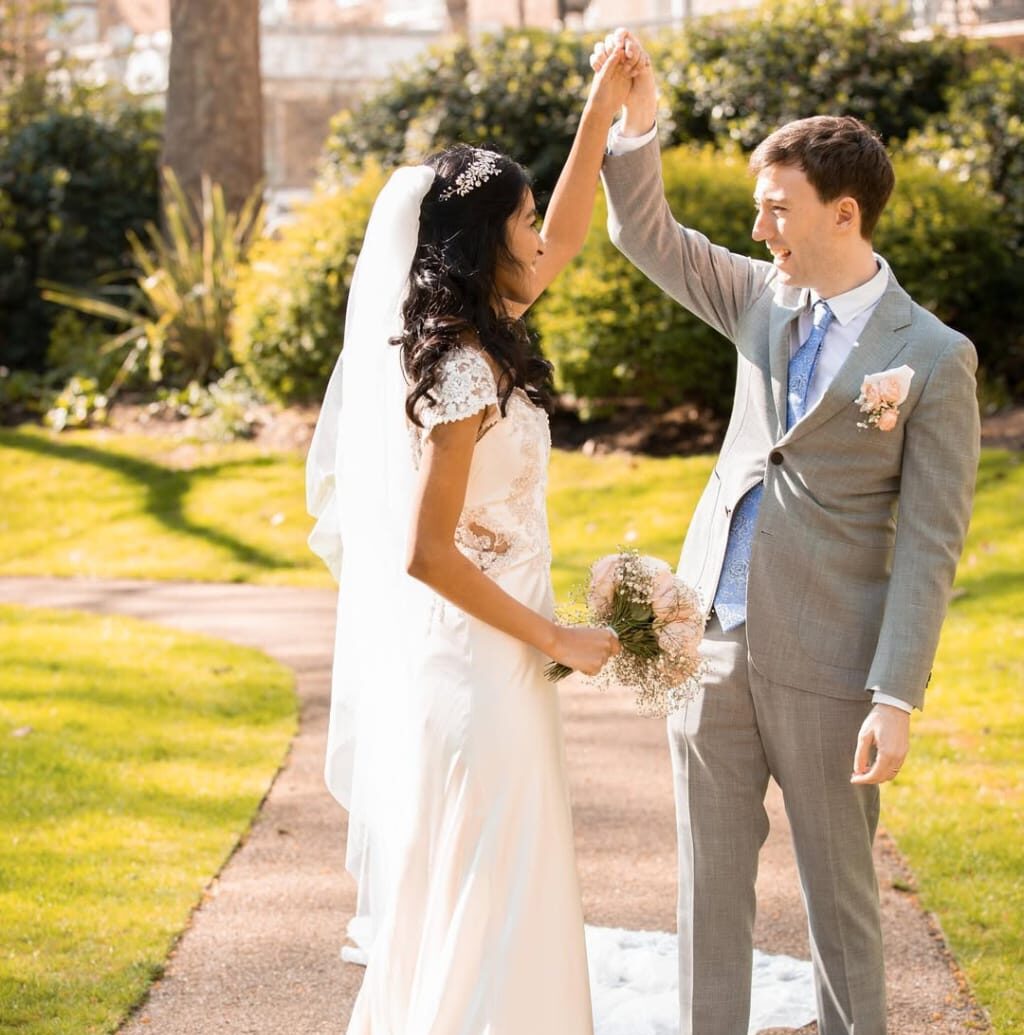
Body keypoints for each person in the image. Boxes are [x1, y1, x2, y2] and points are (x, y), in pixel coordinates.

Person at [591, 29, 980, 1035]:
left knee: (840, 904)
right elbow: (648, 236)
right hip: (710, 645)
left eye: (778, 209)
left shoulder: (934, 358)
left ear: (843, 213)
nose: (759, 227)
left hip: (832, 666)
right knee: (707, 889)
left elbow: (929, 544)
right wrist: (639, 117)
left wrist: (894, 697)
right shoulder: (759, 298)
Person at [304, 39, 649, 1035]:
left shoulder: (492, 321)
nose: (540, 236)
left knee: (507, 864)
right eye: (523, 220)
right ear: (483, 238)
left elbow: (572, 229)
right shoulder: (457, 368)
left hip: (507, 644)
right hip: (478, 655)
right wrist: (556, 638)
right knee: (493, 861)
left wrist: (601, 110)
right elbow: (424, 553)